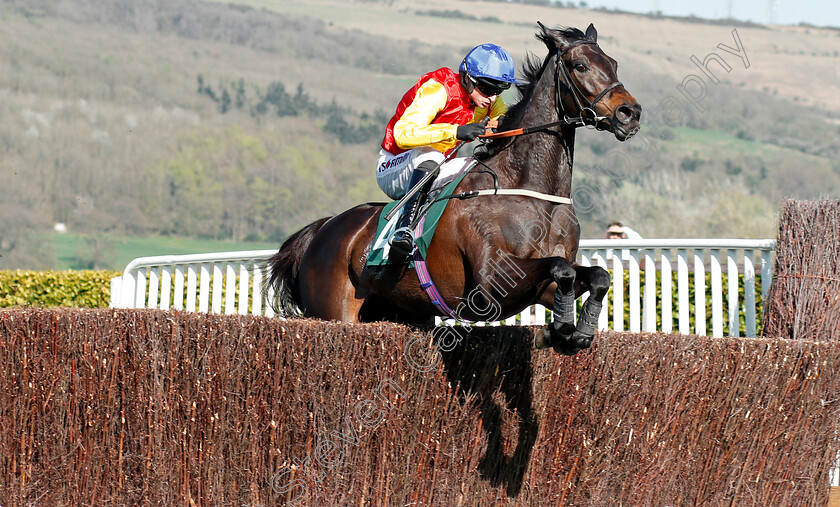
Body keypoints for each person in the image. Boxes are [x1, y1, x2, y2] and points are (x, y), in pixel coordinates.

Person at [376, 43, 518, 262]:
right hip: (394, 166)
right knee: (432, 156)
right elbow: (402, 135)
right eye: (488, 89)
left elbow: (506, 121)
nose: (492, 98)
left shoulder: (487, 99)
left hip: (433, 169)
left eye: (499, 91)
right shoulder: (438, 89)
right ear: (467, 79)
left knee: (480, 169)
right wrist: (456, 131)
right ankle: (403, 231)